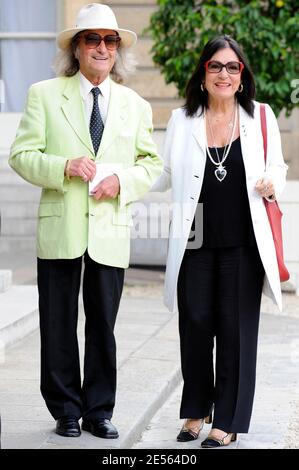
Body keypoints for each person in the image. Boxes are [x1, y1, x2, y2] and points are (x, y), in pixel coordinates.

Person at [9, 3, 162, 439]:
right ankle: (65, 409)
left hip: (109, 230)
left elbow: (151, 164)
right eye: (92, 39)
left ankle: (98, 410)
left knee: (103, 327)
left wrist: (121, 181)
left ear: (117, 51)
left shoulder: (135, 105)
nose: (101, 47)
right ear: (76, 47)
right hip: (61, 227)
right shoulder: (44, 93)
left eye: (109, 40)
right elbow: (21, 156)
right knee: (57, 322)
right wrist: (63, 166)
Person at [152, 35, 287, 447]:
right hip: (194, 237)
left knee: (235, 331)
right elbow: (160, 172)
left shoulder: (260, 116)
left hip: (243, 240)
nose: (223, 74)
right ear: (204, 74)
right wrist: (120, 176)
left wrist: (271, 181)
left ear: (242, 76)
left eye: (232, 67)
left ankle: (226, 421)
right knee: (194, 326)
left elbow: (278, 165)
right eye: (215, 66)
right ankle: (196, 410)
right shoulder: (182, 120)